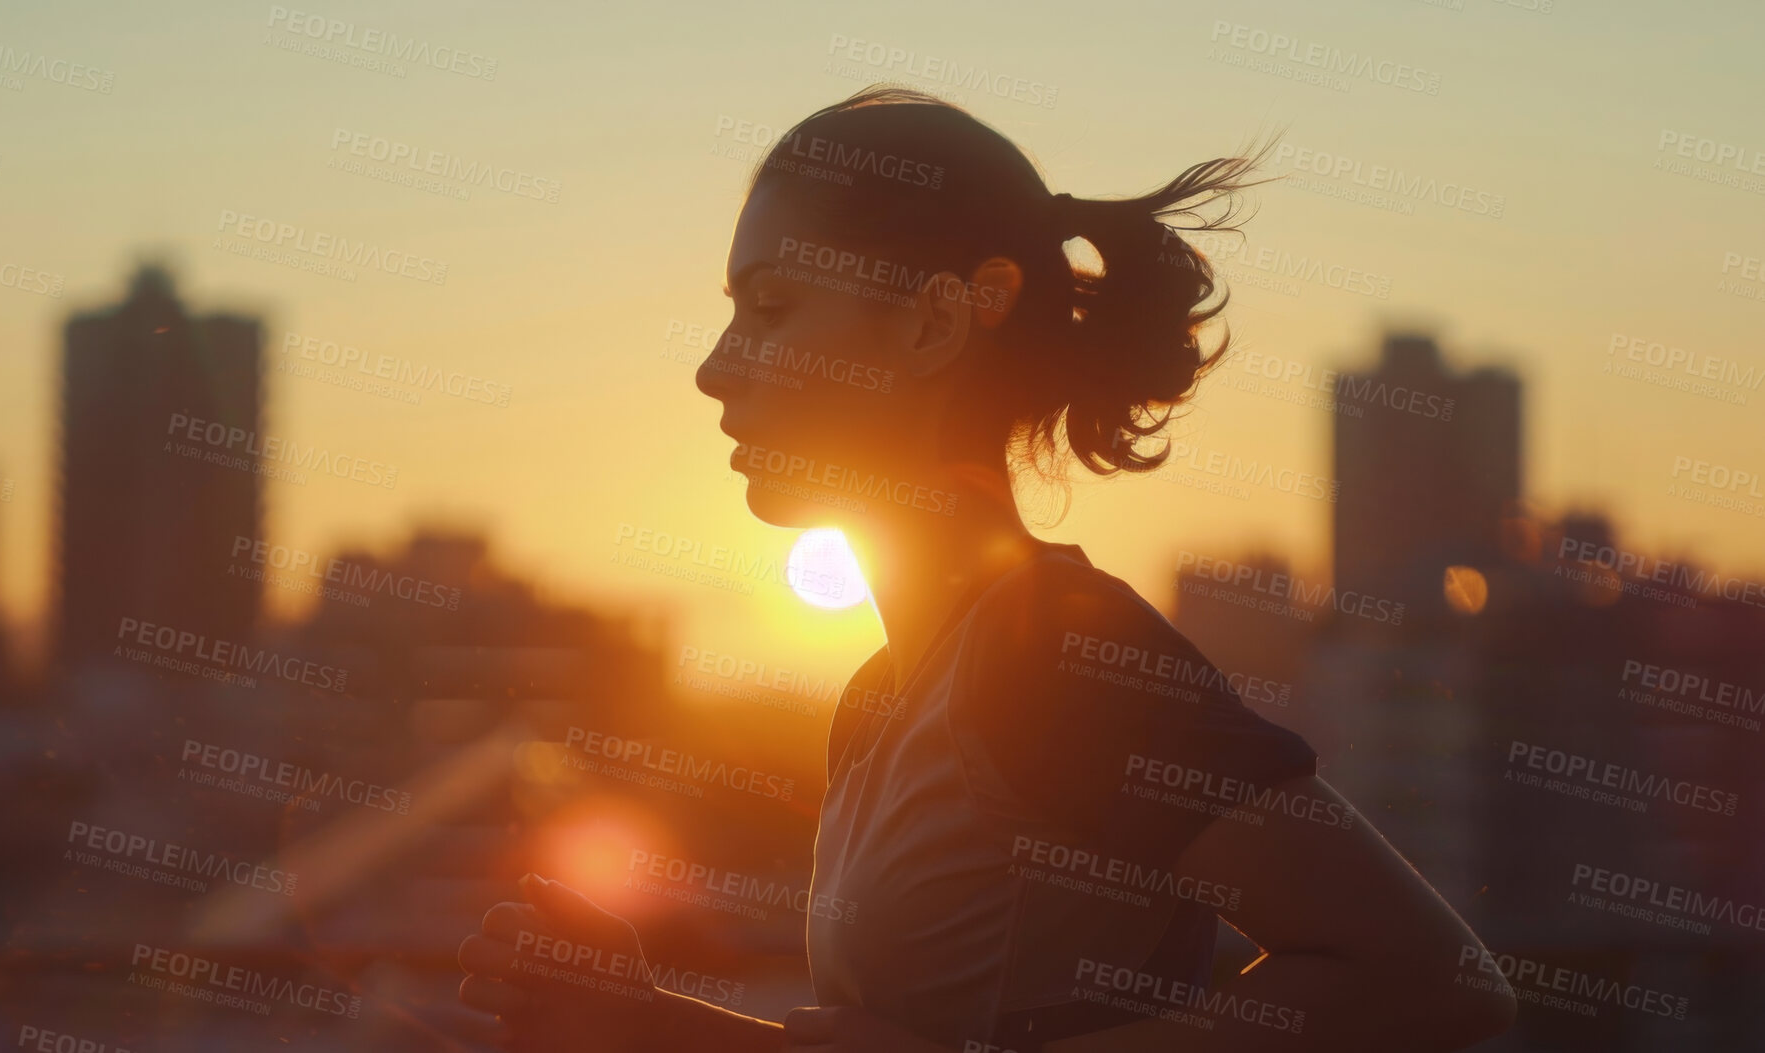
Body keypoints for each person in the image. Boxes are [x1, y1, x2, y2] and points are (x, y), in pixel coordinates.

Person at [458, 87, 1518, 1053]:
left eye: (771, 309)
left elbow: (1432, 985)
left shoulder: (1059, 652)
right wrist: (638, 1022)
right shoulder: (885, 694)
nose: (713, 367)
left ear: (933, 321)